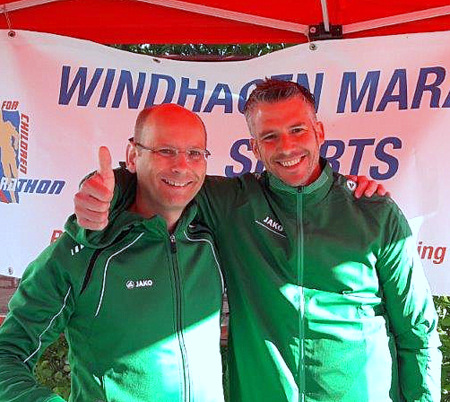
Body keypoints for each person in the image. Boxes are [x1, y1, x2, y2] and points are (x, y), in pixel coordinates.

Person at [76, 80, 440, 401]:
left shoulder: (373, 211)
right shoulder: (231, 202)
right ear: (254, 146)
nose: (286, 147)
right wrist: (102, 190)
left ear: (319, 132)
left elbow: (418, 331)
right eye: (270, 136)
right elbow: (159, 179)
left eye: (297, 130)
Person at [0, 104, 225, 401]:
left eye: (194, 153)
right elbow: (7, 355)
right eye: (165, 151)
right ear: (133, 156)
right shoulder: (81, 252)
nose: (182, 166)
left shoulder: (212, 237)